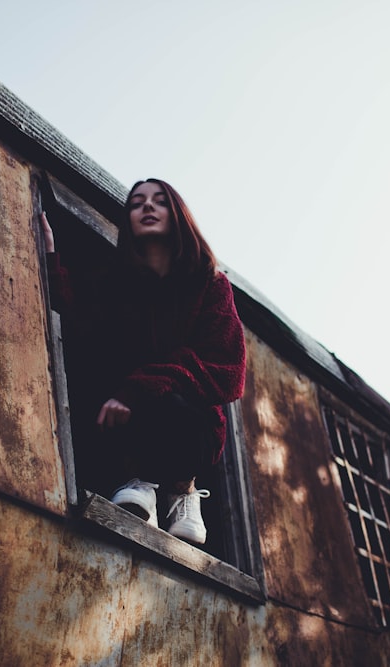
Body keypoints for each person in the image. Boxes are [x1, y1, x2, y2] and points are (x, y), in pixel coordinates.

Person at [40, 178, 246, 545]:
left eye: (159, 201)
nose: (147, 207)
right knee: (96, 378)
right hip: (123, 429)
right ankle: (141, 484)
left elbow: (228, 371)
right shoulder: (115, 286)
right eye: (137, 203)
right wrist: (51, 259)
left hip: (191, 429)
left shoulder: (211, 284)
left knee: (171, 399)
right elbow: (78, 328)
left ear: (178, 214)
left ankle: (181, 490)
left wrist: (140, 387)